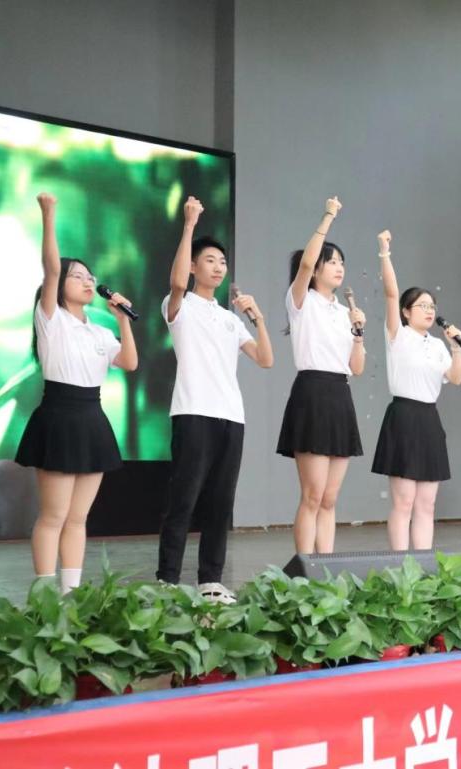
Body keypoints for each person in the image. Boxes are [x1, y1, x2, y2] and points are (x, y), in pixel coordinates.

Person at [15, 192, 138, 592]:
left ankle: (71, 592)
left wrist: (123, 320)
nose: (88, 281)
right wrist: (48, 215)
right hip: (59, 415)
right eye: (78, 276)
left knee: (78, 518)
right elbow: (51, 269)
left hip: (91, 418)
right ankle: (43, 594)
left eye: (90, 276)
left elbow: (130, 362)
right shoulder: (51, 319)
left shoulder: (99, 330)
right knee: (53, 515)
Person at [156, 196, 273, 603]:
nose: (218, 267)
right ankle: (167, 580)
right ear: (193, 266)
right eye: (209, 260)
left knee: (221, 503)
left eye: (222, 262)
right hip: (193, 413)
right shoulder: (179, 306)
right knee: (184, 500)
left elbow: (265, 359)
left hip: (231, 417)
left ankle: (210, 580)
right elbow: (175, 284)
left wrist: (258, 318)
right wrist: (189, 224)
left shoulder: (229, 318)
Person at [276, 197, 366, 554]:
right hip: (312, 392)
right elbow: (305, 262)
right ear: (316, 270)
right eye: (332, 262)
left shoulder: (345, 312)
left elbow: (357, 368)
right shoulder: (301, 301)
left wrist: (358, 334)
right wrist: (328, 216)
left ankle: (326, 567)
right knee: (312, 495)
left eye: (342, 262)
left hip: (340, 394)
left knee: (330, 498)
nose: (339, 267)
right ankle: (304, 566)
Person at [371, 229, 461, 550]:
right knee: (404, 501)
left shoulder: (437, 345)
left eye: (432, 305)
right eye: (422, 305)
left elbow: (456, 378)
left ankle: (422, 564)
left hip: (429, 420)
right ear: (406, 311)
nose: (429, 310)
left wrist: (456, 348)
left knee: (427, 503)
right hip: (403, 416)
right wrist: (385, 252)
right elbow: (391, 294)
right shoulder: (397, 334)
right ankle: (399, 564)